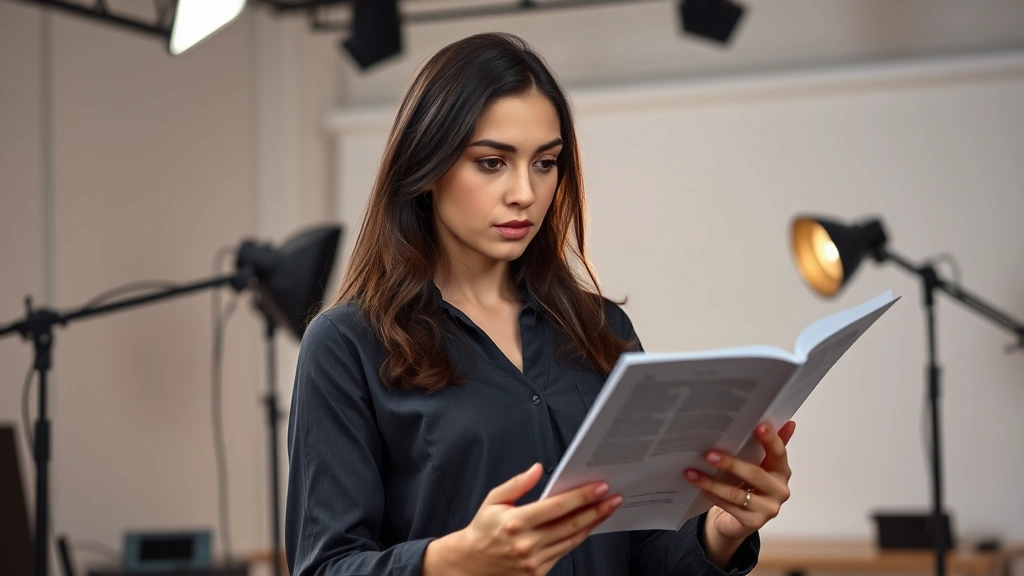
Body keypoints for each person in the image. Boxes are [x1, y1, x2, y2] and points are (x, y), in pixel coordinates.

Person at [285, 32, 796, 576]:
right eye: (491, 163)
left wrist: (720, 532)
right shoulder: (348, 345)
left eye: (545, 163)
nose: (525, 193)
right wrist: (450, 559)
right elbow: (325, 566)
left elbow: (640, 552)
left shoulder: (601, 329)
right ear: (427, 167)